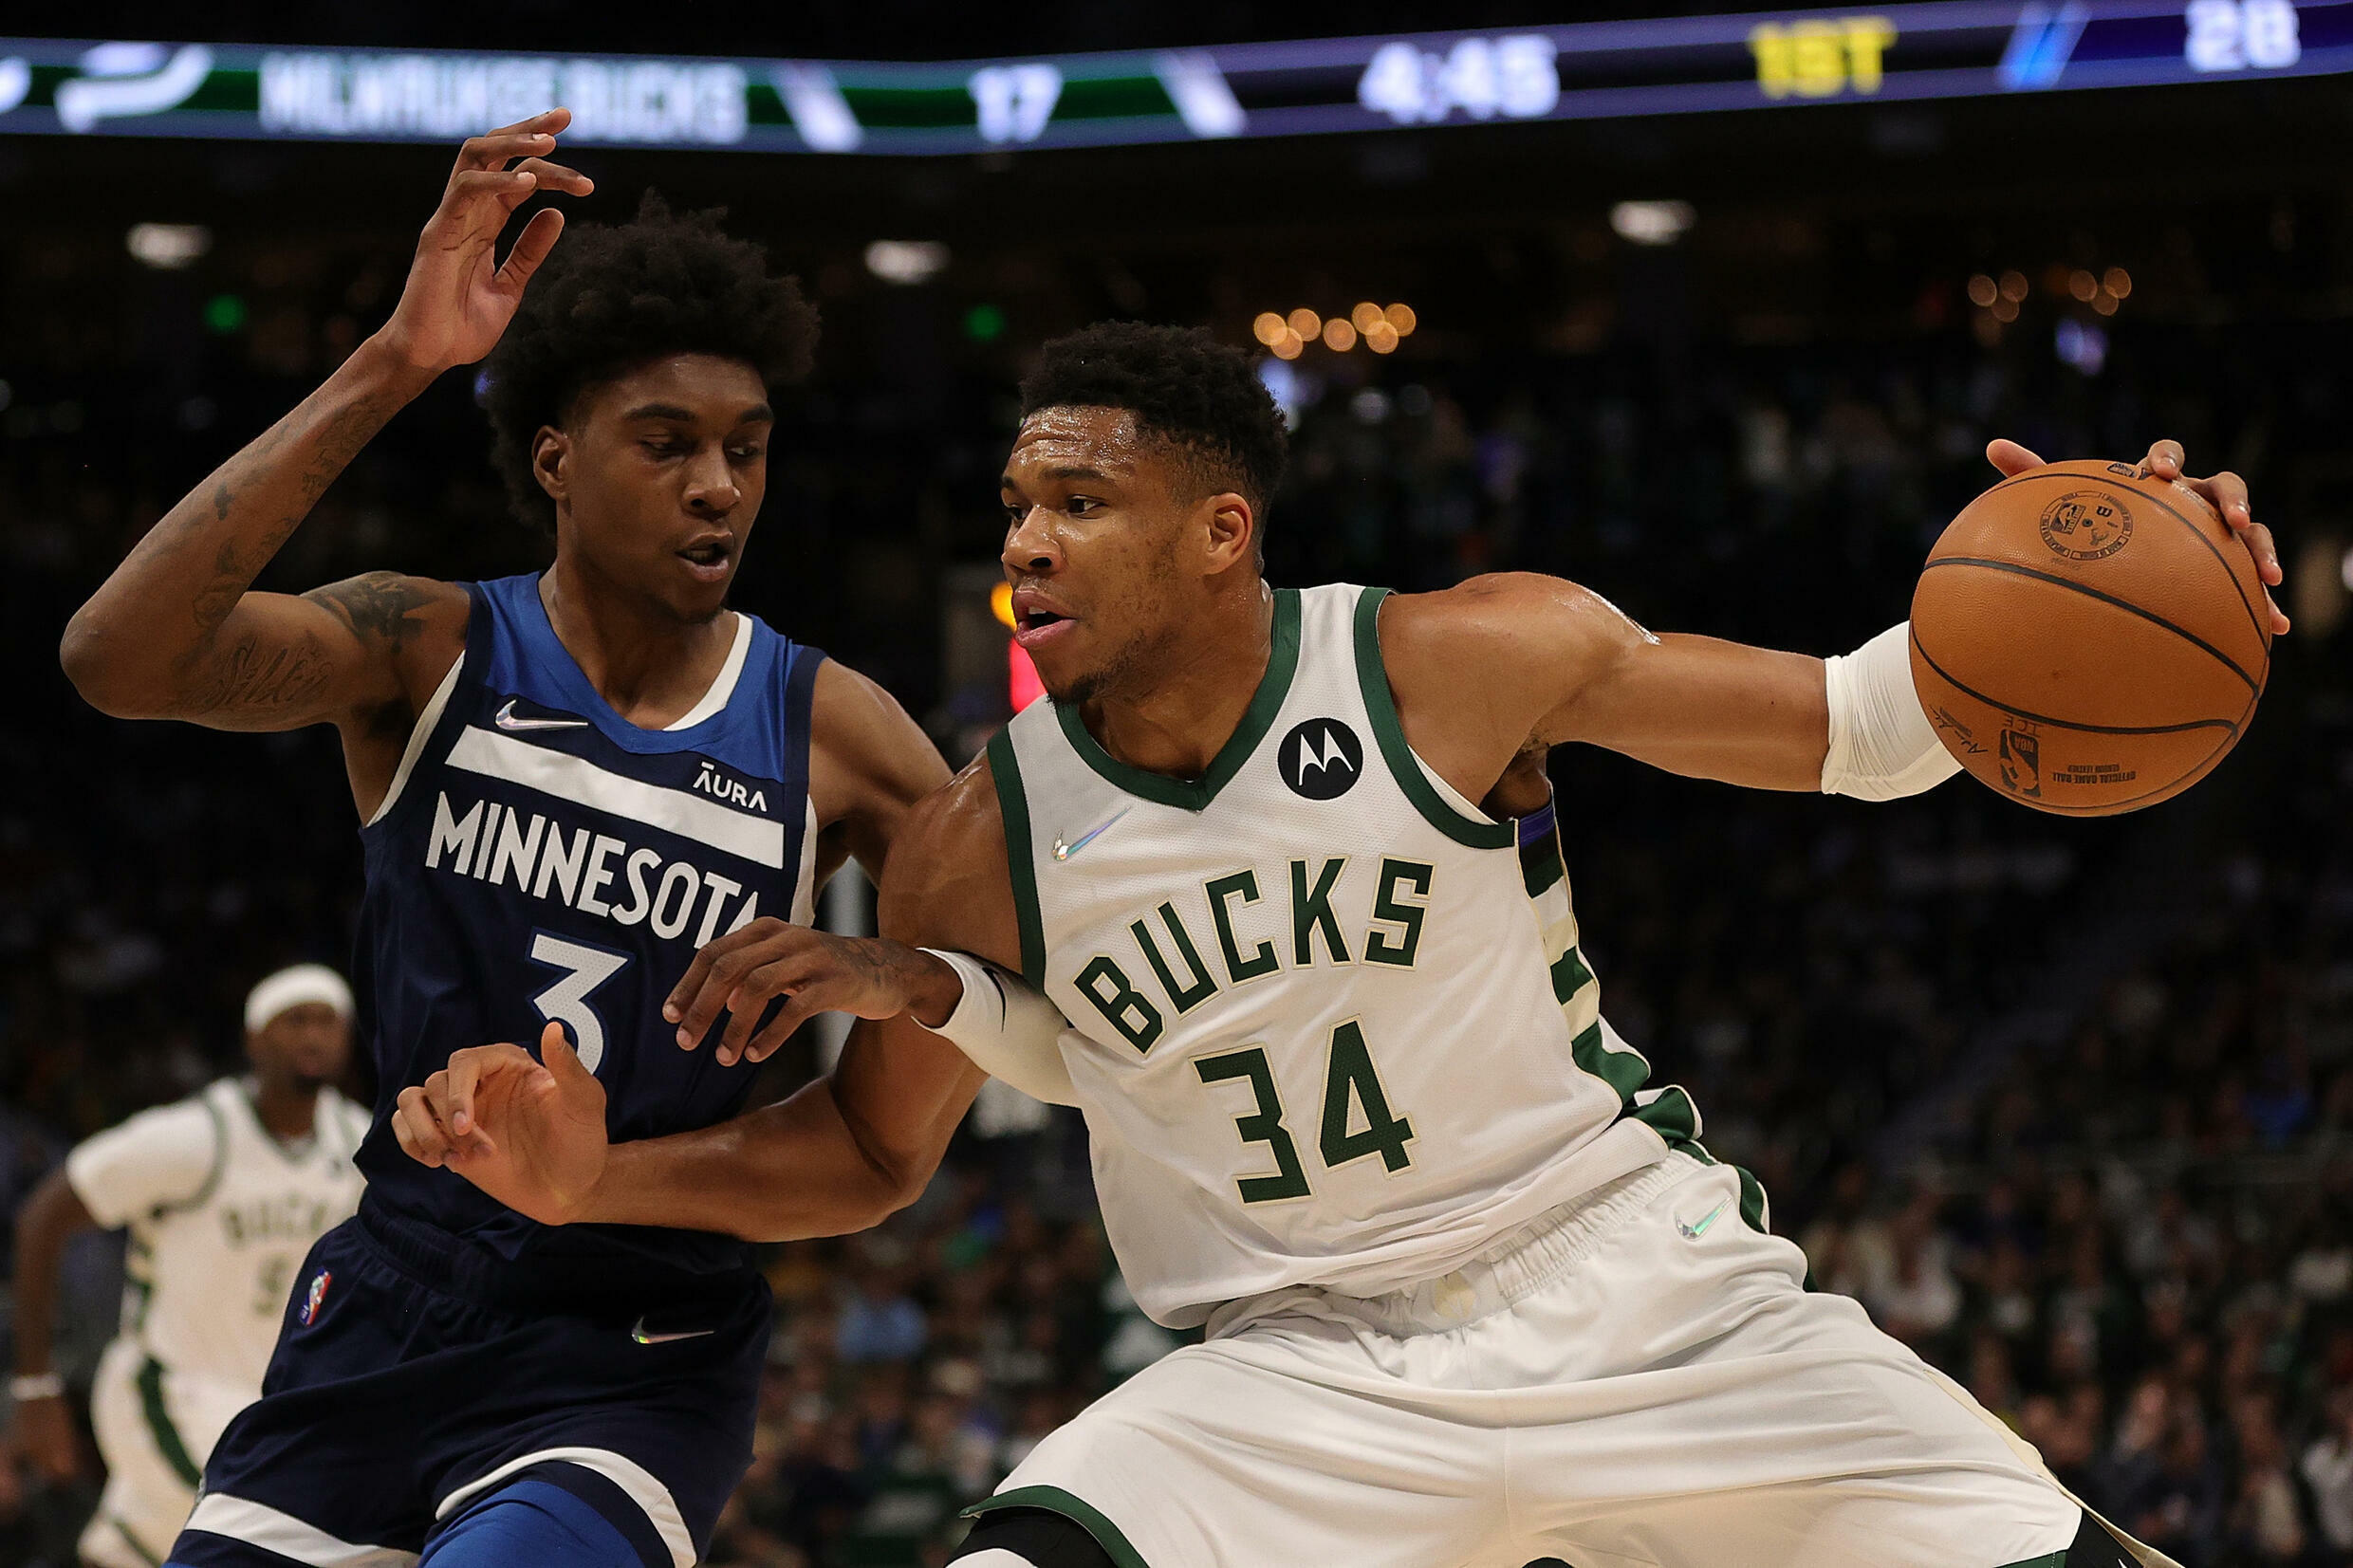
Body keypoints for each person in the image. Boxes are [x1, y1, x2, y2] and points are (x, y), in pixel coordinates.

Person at [398, 323, 2287, 1568]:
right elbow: (872, 1149)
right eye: (1014, 505)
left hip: (1642, 1296)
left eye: (1077, 501)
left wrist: (2099, 582)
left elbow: (1863, 729)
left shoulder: (1460, 659)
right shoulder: (984, 831)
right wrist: (596, 1178)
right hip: (1291, 1373)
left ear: (1220, 532)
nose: (1024, 543)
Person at [59, 110, 952, 1567]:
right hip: (384, 1305)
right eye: (666, 445)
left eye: (746, 448)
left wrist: (594, 1182)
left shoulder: (844, 740)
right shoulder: (429, 645)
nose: (720, 486)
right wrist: (398, 361)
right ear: (554, 459)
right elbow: (120, 660)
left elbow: (876, 1155)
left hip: (630, 1345)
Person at [9, 965, 366, 1568]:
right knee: (275, 1537)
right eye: (294, 1020)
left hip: (279, 1405)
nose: (313, 1035)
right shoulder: (195, 1137)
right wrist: (34, 1387)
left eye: (328, 1020)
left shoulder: (359, 1143)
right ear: (255, 1040)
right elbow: (43, 1217)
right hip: (170, 1392)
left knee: (135, 1551)